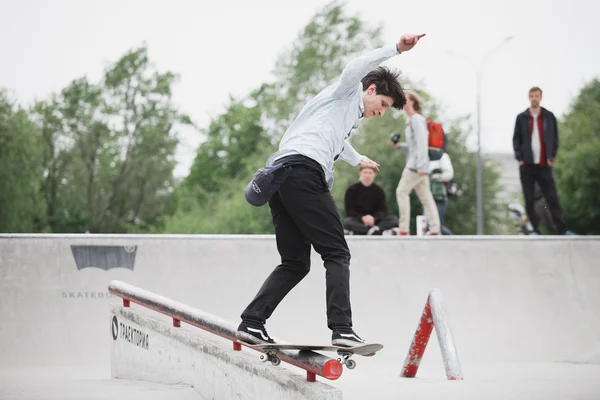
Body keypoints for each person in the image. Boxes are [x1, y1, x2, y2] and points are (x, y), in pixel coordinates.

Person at [238, 33, 426, 347]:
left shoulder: (340, 114)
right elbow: (356, 65)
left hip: (282, 177)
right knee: (337, 253)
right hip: (303, 173)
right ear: (370, 89)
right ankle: (342, 329)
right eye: (381, 104)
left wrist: (357, 158)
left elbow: (334, 139)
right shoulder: (346, 91)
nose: (379, 113)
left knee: (295, 263)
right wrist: (395, 49)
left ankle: (252, 321)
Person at [513, 87, 568, 235]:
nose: (534, 98)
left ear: (540, 97)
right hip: (527, 164)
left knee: (552, 198)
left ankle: (561, 229)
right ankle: (535, 229)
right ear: (529, 98)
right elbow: (516, 139)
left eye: (536, 96)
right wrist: (520, 158)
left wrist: (552, 156)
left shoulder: (549, 116)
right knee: (530, 199)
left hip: (544, 164)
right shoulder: (522, 117)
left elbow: (555, 138)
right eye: (531, 96)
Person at [391, 90, 440, 235]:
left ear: (412, 101)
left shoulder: (417, 119)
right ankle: (435, 229)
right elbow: (413, 147)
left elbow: (422, 144)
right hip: (417, 164)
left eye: (404, 97)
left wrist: (422, 166)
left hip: (415, 166)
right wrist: (399, 146)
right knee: (426, 198)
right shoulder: (410, 120)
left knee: (401, 191)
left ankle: (404, 229)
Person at [342, 166, 399, 235]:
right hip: (358, 221)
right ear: (360, 173)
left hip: (375, 221)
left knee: (394, 220)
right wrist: (362, 218)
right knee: (347, 222)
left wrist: (374, 218)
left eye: (370, 173)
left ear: (374, 175)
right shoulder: (351, 190)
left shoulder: (379, 190)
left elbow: (383, 211)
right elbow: (349, 211)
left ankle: (369, 230)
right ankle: (374, 231)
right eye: (365, 172)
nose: (367, 175)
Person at [429, 151, 454, 235]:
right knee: (429, 225)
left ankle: (453, 240)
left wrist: (438, 176)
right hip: (428, 198)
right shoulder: (425, 156)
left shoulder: (442, 156)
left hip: (440, 197)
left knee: (437, 225)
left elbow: (449, 174)